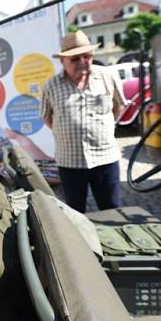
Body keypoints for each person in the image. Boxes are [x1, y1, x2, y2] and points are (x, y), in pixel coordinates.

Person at [40, 30, 125, 213]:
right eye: (75, 58)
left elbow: (119, 106)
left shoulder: (106, 76)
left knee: (113, 210)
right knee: (75, 213)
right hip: (70, 162)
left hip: (105, 158)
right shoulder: (51, 86)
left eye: (86, 56)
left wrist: (106, 128)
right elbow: (46, 116)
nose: (82, 62)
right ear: (62, 61)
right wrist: (65, 132)